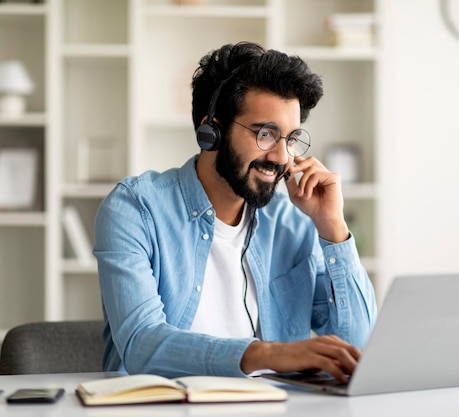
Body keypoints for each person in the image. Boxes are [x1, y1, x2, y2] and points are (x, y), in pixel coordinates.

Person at [93, 41, 377, 382]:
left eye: (290, 138)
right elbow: (142, 343)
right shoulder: (136, 209)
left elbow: (359, 347)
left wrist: (333, 227)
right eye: (265, 134)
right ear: (211, 130)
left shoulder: (293, 221)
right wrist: (267, 354)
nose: (282, 157)